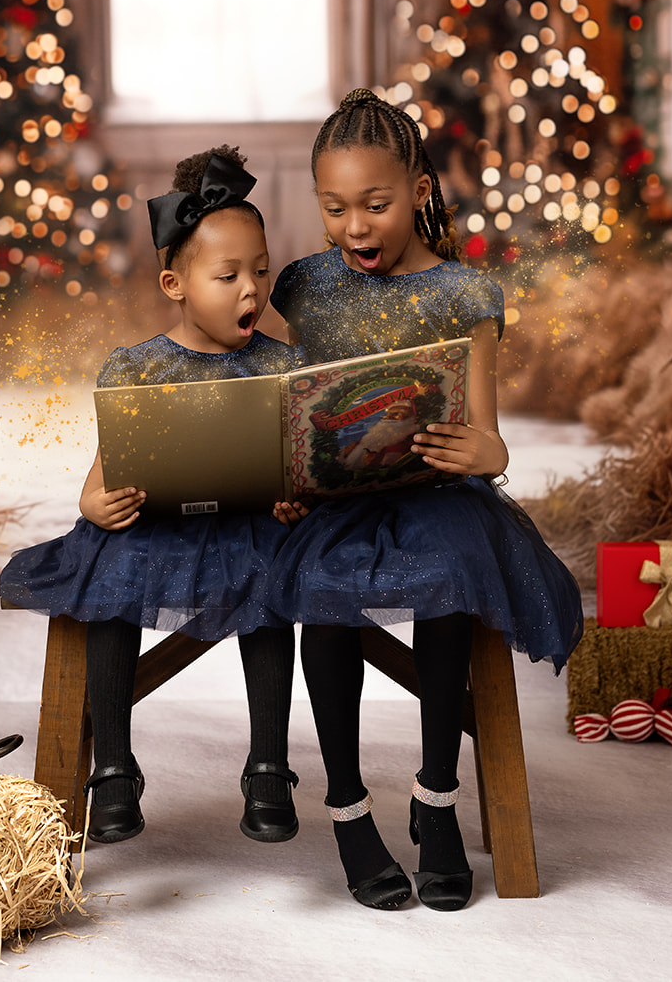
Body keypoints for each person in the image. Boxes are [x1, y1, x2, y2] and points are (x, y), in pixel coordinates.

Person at [271, 89, 584, 912]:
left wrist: (486, 451)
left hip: (436, 492)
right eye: (335, 208)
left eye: (375, 204)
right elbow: (293, 402)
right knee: (324, 588)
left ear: (417, 190)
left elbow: (490, 438)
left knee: (450, 574)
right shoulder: (305, 286)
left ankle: (437, 794)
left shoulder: (463, 294)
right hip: (338, 501)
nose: (356, 227)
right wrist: (287, 478)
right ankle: (347, 808)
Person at [0, 147, 307, 845]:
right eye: (227, 276)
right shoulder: (137, 366)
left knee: (273, 579)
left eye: (260, 271)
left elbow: (299, 463)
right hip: (161, 529)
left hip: (250, 528)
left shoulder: (282, 363)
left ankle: (268, 763)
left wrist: (295, 498)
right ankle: (113, 764)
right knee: (112, 576)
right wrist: (92, 504)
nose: (251, 291)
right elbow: (103, 473)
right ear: (176, 283)